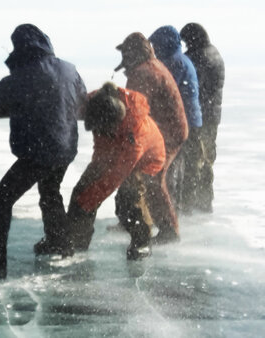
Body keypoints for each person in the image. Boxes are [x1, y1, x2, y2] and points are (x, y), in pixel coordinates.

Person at [0, 24, 87, 280]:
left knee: (1, 200)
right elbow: (82, 96)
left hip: (41, 151)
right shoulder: (69, 68)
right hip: (66, 147)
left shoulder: (27, 74)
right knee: (50, 192)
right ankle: (59, 242)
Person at [57, 83, 165, 260]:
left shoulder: (137, 133)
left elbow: (115, 176)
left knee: (128, 199)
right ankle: (76, 242)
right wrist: (85, 194)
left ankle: (142, 242)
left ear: (114, 123)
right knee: (81, 191)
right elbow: (101, 152)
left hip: (146, 160)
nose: (100, 132)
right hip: (117, 149)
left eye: (104, 129)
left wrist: (90, 199)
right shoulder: (97, 106)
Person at [114, 32, 188, 244]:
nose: (124, 58)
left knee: (153, 178)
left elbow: (133, 109)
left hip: (166, 133)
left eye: (126, 53)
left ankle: (168, 231)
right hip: (166, 129)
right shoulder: (151, 67)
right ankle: (146, 222)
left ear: (134, 52)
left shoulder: (144, 73)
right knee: (147, 176)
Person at [149, 26, 203, 214]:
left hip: (182, 122)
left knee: (172, 168)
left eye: (156, 44)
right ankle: (177, 208)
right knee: (179, 166)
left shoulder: (174, 62)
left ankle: (172, 210)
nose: (154, 48)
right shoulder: (180, 60)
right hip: (189, 120)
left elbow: (165, 93)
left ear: (165, 43)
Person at [180, 23, 225, 213]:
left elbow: (190, 88)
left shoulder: (198, 57)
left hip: (198, 117)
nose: (185, 46)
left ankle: (188, 204)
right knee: (206, 159)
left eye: (185, 41)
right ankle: (205, 202)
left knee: (193, 160)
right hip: (212, 116)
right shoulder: (214, 54)